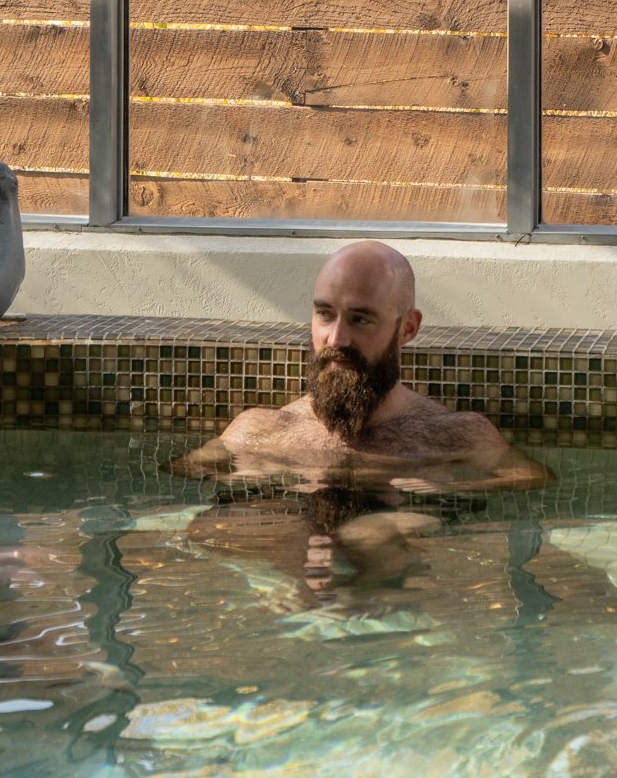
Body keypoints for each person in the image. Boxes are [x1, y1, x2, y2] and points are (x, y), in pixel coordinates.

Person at [177, 241, 546, 584]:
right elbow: (188, 470)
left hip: (404, 559)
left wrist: (453, 487)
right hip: (291, 558)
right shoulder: (260, 427)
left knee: (368, 534)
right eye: (325, 315)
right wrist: (249, 486)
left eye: (360, 319)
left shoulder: (452, 434)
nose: (336, 339)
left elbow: (531, 480)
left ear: (408, 328)